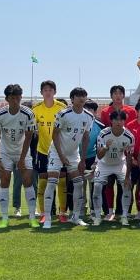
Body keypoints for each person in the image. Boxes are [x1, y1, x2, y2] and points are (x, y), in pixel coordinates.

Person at [42, 87, 93, 228]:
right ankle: (47, 219)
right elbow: (55, 134)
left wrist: (83, 159)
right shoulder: (63, 114)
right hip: (56, 152)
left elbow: (86, 137)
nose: (82, 98)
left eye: (84, 95)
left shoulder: (89, 116)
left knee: (78, 183)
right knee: (52, 182)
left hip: (73, 154)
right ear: (72, 99)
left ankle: (75, 217)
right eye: (78, 96)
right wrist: (61, 155)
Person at [0, 84, 38, 229]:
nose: (16, 101)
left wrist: (22, 158)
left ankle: (32, 217)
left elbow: (29, 137)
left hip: (22, 151)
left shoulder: (28, 114)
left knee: (27, 180)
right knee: (5, 180)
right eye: (12, 98)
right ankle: (5, 218)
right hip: (5, 152)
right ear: (7, 99)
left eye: (18, 98)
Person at [91, 110, 135, 226]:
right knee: (97, 187)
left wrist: (127, 177)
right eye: (116, 119)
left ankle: (124, 216)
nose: (118, 122)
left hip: (120, 164)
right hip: (104, 164)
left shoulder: (129, 137)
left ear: (124, 121)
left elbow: (129, 158)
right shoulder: (103, 134)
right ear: (111, 120)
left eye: (121, 120)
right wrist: (106, 147)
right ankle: (97, 216)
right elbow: (99, 155)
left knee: (126, 186)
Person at [100, 85, 137, 221]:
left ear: (123, 95)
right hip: (109, 150)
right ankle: (109, 211)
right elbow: (104, 131)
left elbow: (132, 130)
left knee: (125, 183)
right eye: (114, 93)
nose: (117, 95)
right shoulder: (105, 112)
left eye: (120, 93)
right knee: (108, 182)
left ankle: (123, 211)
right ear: (111, 96)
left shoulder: (131, 111)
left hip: (125, 150)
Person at [32, 81, 67, 223]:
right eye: (45, 90)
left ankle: (63, 212)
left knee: (62, 182)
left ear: (55, 92)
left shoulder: (62, 108)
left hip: (59, 151)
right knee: (43, 183)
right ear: (41, 92)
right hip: (43, 151)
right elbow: (32, 131)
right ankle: (44, 213)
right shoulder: (36, 109)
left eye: (50, 89)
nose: (47, 92)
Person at [83, 99, 106, 216]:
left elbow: (101, 146)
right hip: (78, 158)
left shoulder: (100, 127)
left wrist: (97, 162)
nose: (87, 112)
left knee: (94, 185)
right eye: (85, 109)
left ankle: (94, 209)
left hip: (93, 158)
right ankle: (81, 208)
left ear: (95, 112)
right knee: (79, 185)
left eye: (90, 110)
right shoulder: (77, 123)